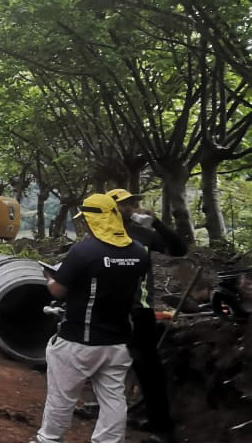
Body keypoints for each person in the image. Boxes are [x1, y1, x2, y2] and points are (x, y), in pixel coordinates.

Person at [31, 193, 151, 443]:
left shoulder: (85, 251)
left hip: (79, 341)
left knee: (62, 396)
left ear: (93, 219)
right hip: (118, 343)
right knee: (113, 398)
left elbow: (58, 290)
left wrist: (49, 277)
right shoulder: (139, 252)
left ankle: (49, 439)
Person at [106, 188, 187, 443]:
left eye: (132, 203)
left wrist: (158, 223)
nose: (130, 208)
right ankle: (111, 414)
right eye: (124, 204)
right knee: (107, 366)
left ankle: (162, 427)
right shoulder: (101, 233)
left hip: (138, 312)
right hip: (106, 310)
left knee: (148, 368)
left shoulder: (143, 234)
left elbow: (179, 250)